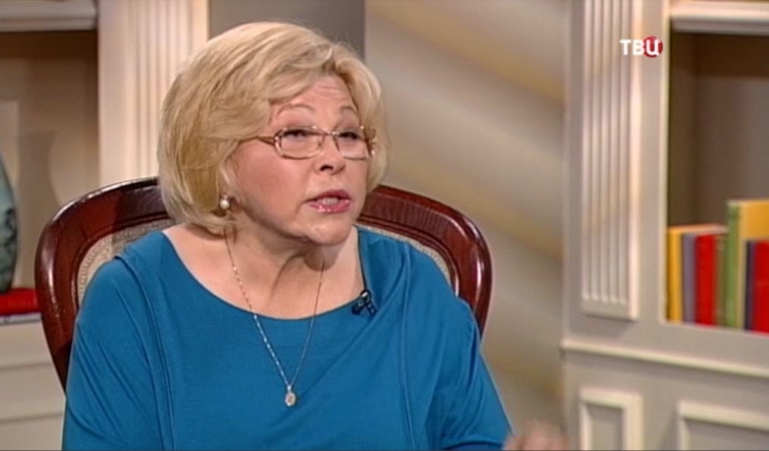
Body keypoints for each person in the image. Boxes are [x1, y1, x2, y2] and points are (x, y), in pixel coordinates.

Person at [61, 21, 567, 450]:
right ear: (219, 162)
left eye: (348, 134)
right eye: (297, 134)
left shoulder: (412, 285)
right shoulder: (135, 300)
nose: (335, 158)